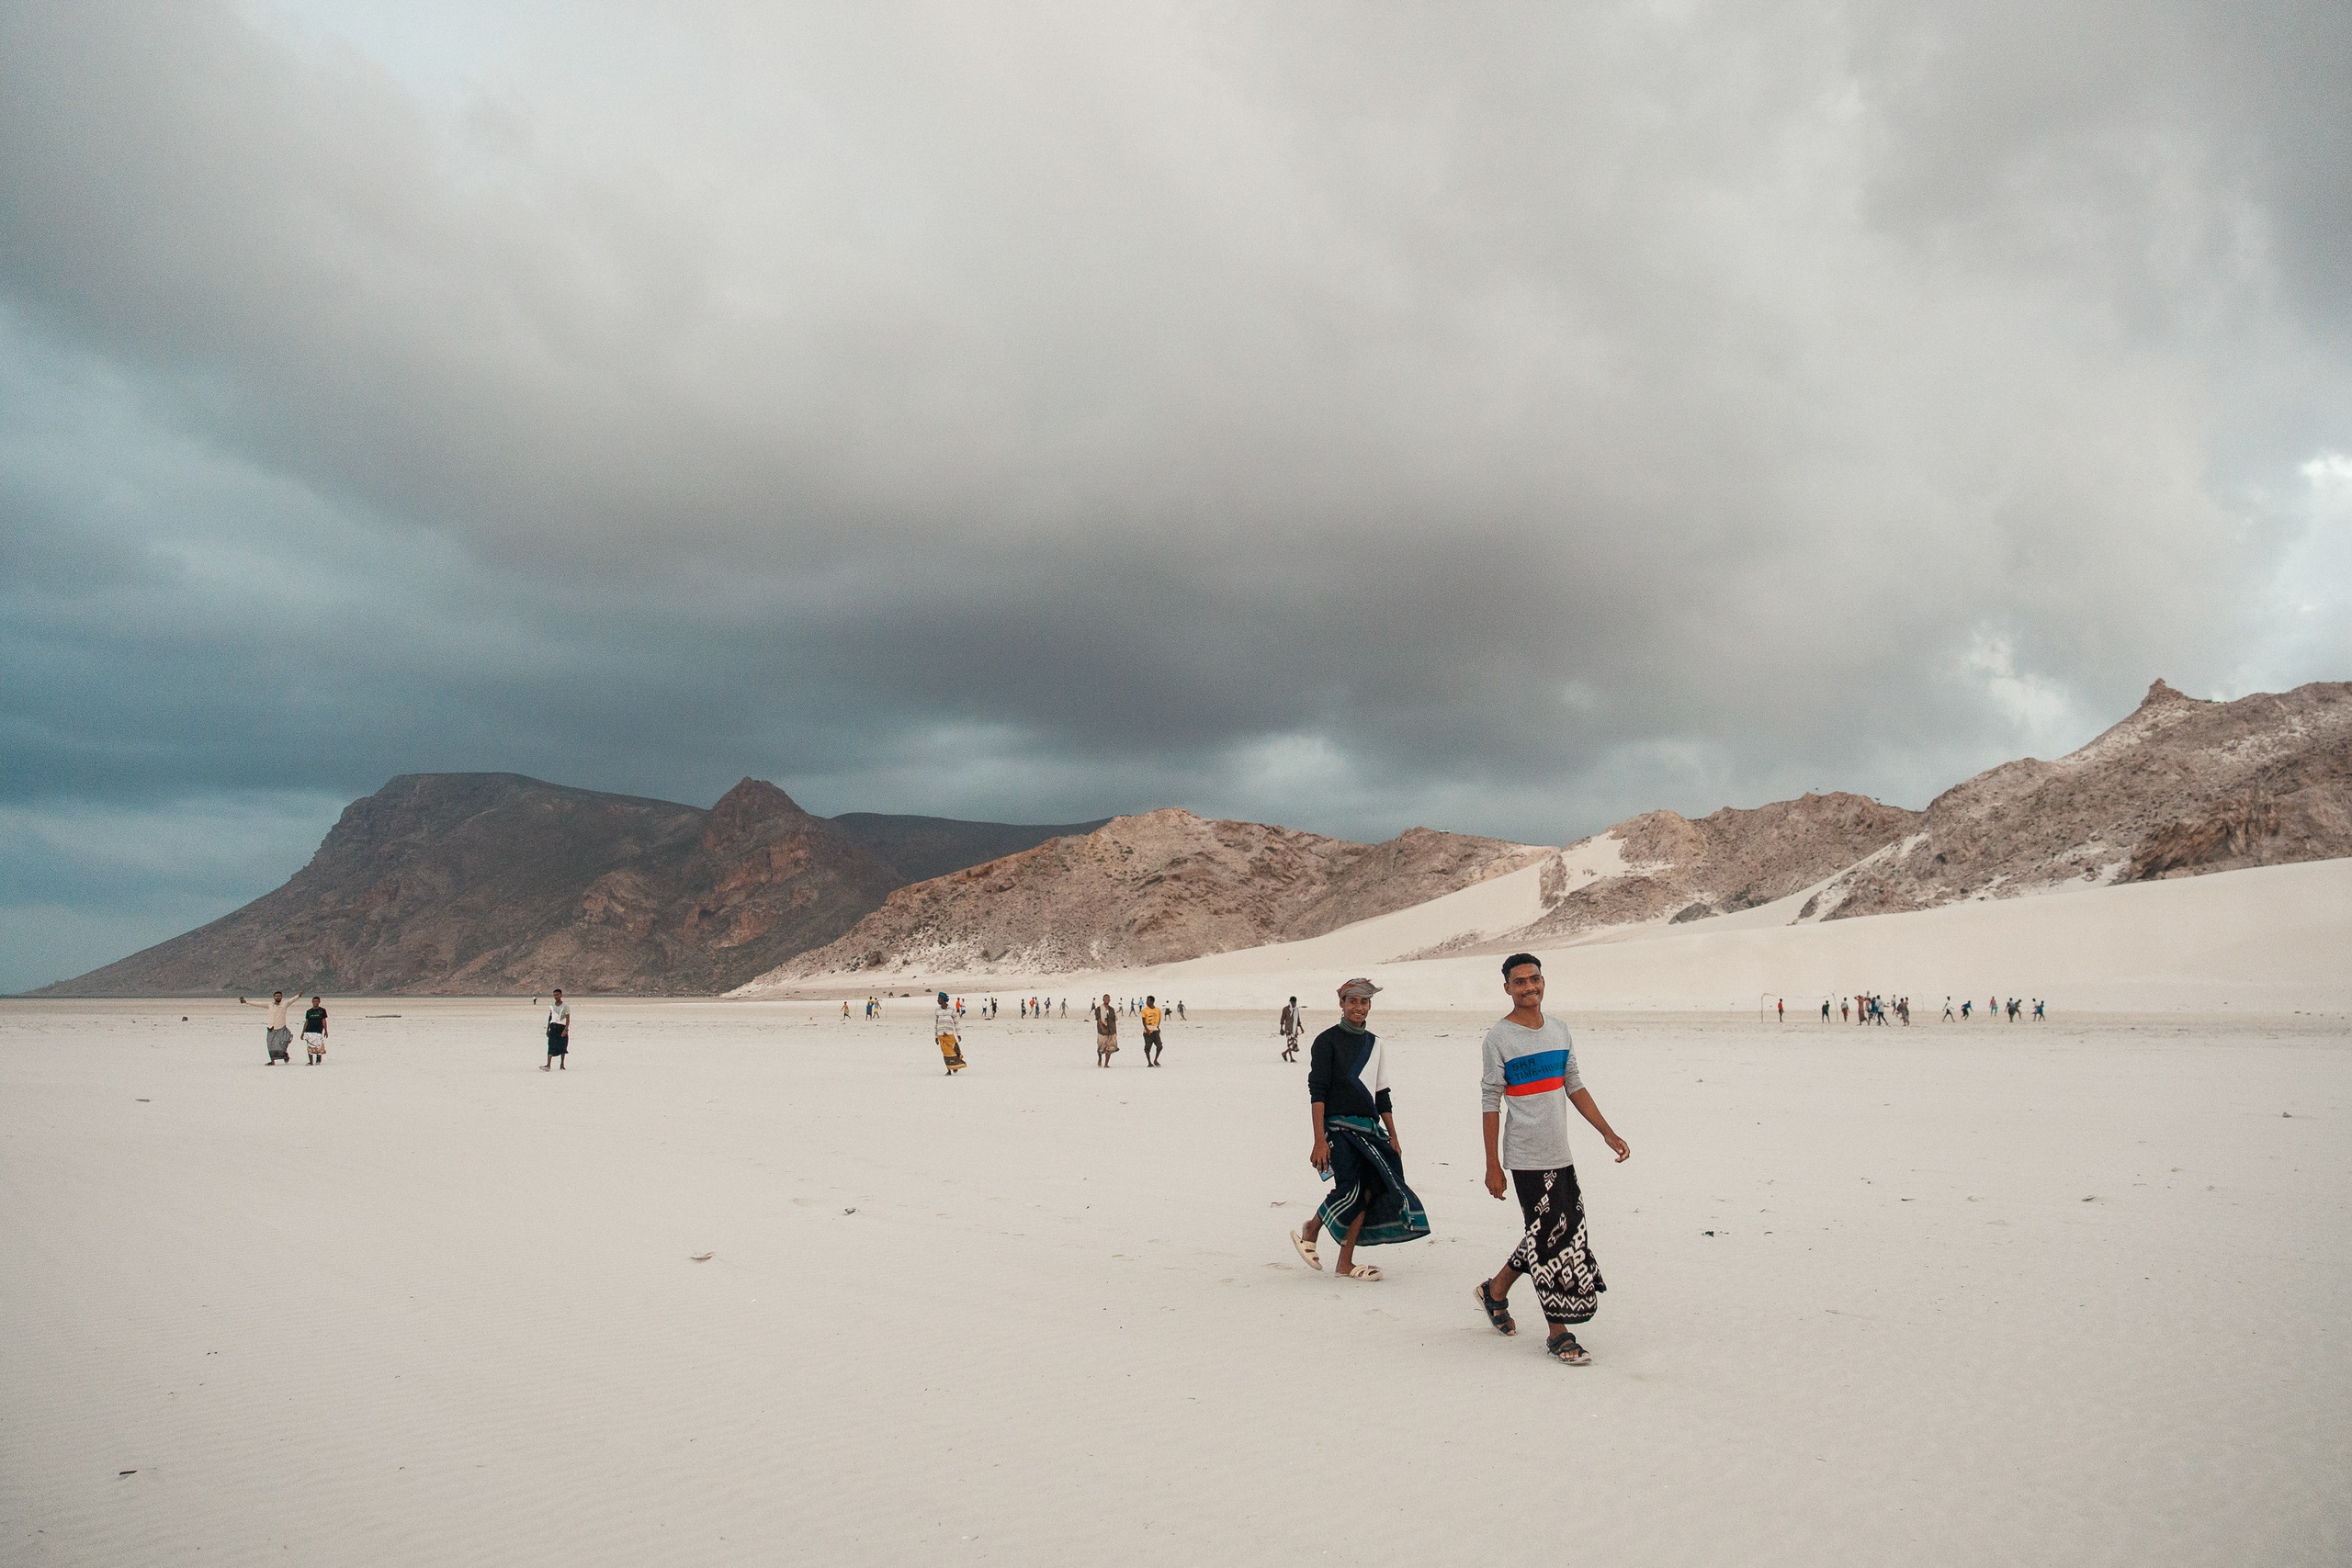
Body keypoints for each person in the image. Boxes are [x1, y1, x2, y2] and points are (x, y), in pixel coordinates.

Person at [1473, 953, 1629, 1367]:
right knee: (1549, 1240)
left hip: (1560, 1154)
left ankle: (1496, 1290)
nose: (1529, 987)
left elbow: (1573, 1085)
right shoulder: (1498, 1039)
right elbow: (1491, 1102)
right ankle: (1559, 1333)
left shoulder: (1559, 1030)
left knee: (1557, 1229)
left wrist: (1607, 1133)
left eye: (1535, 979)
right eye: (1519, 982)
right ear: (1507, 988)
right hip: (1524, 1157)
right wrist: (1493, 1165)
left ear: (1544, 982)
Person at [1289, 978, 1428, 1281]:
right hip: (1337, 1128)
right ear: (1342, 1003)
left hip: (1369, 1130)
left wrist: (1393, 1135)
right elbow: (1318, 1092)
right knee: (1349, 1188)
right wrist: (1318, 1140)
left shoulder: (1375, 1044)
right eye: (1352, 1001)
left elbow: (1382, 1095)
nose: (1358, 1007)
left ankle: (1345, 1263)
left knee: (1367, 1192)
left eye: (1364, 1002)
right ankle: (1311, 1228)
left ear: (1369, 1006)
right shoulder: (1326, 1041)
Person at [244, 989, 299, 1065]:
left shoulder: (284, 1004)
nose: (278, 997)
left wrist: (299, 995)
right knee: (270, 1045)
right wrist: (246, 1002)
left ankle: (285, 1055)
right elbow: (258, 1004)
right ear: (274, 997)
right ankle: (272, 1060)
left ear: (281, 997)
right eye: (276, 996)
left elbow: (292, 1000)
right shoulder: (270, 1005)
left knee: (282, 1043)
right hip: (271, 1027)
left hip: (281, 1026)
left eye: (279, 996)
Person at [934, 992, 967, 1074]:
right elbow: (936, 1023)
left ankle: (956, 1065)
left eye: (939, 998)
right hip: (941, 1034)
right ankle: (949, 1069)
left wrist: (958, 1034)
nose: (938, 1000)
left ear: (943, 999)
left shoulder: (952, 1010)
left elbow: (956, 1022)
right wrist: (936, 1036)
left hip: (949, 1034)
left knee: (955, 1050)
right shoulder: (937, 1010)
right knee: (945, 1052)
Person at [542, 990, 570, 1070]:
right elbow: (550, 1017)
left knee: (563, 1045)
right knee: (551, 1045)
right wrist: (548, 1028)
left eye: (557, 995)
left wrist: (565, 1030)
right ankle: (548, 1065)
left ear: (561, 995)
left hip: (561, 1027)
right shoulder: (552, 1005)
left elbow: (567, 1019)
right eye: (554, 995)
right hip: (553, 1027)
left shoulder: (565, 1006)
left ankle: (562, 1064)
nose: (556, 996)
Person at [301, 996, 328, 1065]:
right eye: (314, 1001)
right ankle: (311, 1061)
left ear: (319, 1002)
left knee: (318, 1045)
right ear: (312, 1002)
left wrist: (326, 1030)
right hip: (309, 1030)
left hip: (318, 1030)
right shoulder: (309, 1011)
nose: (315, 1003)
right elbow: (307, 1021)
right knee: (309, 1046)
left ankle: (318, 1059)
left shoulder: (322, 1011)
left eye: (317, 1001)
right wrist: (303, 1032)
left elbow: (324, 1020)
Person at [1140, 995, 1164, 1066]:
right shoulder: (1144, 1010)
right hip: (1148, 1031)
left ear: (1152, 1001)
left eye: (1148, 1000)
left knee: (1159, 1046)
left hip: (1155, 1031)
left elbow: (1159, 1019)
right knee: (1147, 1048)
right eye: (1146, 1000)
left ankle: (1155, 1060)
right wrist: (1147, 1029)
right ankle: (1149, 1062)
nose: (1146, 1002)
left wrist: (1158, 1027)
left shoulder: (1158, 1010)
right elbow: (1143, 1021)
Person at [1095, 993, 1118, 1066]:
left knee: (1110, 1047)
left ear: (1110, 1000)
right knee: (1101, 1048)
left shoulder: (1112, 1010)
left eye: (1108, 998)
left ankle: (1106, 1064)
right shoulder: (1099, 1009)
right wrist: (1103, 1028)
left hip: (1111, 1030)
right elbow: (1099, 1019)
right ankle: (1100, 1058)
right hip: (1102, 1031)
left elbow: (1114, 1020)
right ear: (1103, 999)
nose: (1107, 999)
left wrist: (1115, 1031)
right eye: (1105, 998)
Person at [1279, 997, 1304, 1062]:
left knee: (1294, 1045)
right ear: (1290, 1002)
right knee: (1291, 1043)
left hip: (1295, 1030)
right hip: (1288, 1029)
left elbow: (1298, 1020)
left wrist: (1301, 1028)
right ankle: (1291, 1058)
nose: (1294, 1004)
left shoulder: (1296, 1010)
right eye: (1293, 1002)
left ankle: (1285, 1053)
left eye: (1295, 1002)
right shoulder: (1285, 1009)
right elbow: (1282, 1019)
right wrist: (1281, 1028)